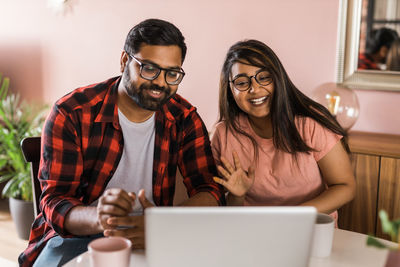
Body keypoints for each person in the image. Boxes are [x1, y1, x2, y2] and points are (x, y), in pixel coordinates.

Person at [19, 19, 225, 267]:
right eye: (149, 68)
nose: (160, 83)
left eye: (172, 74)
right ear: (124, 61)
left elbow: (209, 191)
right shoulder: (72, 112)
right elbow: (55, 202)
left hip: (153, 233)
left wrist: (162, 223)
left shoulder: (184, 118)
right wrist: (100, 217)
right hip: (75, 236)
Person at [211, 40, 355, 216]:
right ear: (230, 90)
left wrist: (291, 217)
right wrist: (237, 196)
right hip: (254, 232)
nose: (255, 89)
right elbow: (227, 213)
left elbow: (345, 186)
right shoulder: (223, 134)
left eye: (264, 78)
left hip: (309, 229)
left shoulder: (309, 124)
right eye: (242, 83)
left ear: (278, 78)